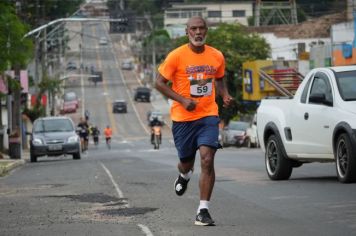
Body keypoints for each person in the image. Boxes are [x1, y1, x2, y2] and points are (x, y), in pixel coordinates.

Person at [155, 16, 233, 226]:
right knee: (186, 162)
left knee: (207, 159)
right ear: (187, 32)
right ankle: (184, 175)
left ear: (206, 31)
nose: (198, 32)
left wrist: (224, 94)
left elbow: (218, 77)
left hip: (208, 115)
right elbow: (159, 83)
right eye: (193, 29)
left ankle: (203, 210)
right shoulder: (176, 56)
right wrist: (182, 100)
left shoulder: (216, 55)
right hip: (183, 118)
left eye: (201, 29)